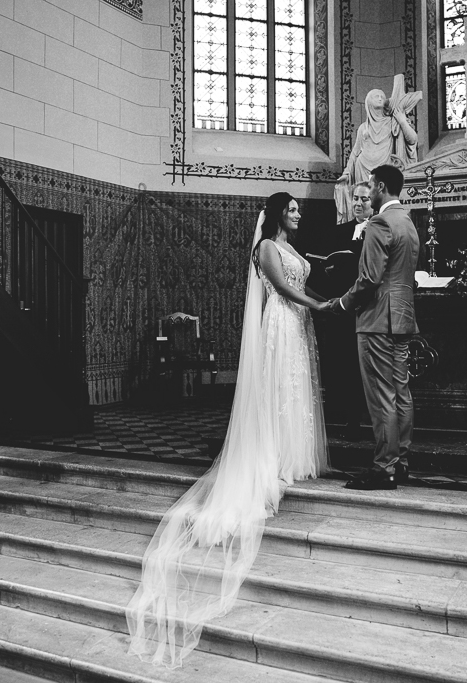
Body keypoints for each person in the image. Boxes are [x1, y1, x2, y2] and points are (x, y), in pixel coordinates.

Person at [126, 192, 330, 668]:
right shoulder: (265, 249)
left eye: (300, 210)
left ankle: (292, 458)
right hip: (281, 324)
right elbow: (281, 289)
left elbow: (301, 273)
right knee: (279, 393)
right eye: (294, 209)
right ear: (279, 212)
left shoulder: (295, 248)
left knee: (297, 397)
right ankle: (272, 460)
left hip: (298, 327)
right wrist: (320, 305)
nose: (299, 214)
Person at [325, 165, 419, 490]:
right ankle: (401, 462)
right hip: (403, 316)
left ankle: (384, 468)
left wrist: (341, 304)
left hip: (377, 318)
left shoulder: (380, 222)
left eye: (371, 187)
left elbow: (368, 279)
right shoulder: (407, 221)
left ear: (379, 186)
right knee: (401, 393)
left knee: (381, 396)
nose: (369, 193)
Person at [308, 182, 373, 436]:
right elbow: (325, 260)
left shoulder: (379, 229)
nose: (358, 203)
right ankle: (345, 417)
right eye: (355, 198)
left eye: (364, 199)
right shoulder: (339, 231)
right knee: (341, 364)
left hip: (365, 308)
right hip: (339, 306)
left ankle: (364, 419)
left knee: (362, 366)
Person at [334, 74, 422, 223]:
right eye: (376, 96)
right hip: (362, 167)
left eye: (382, 96)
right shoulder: (363, 128)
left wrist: (401, 120)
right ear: (368, 102)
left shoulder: (392, 121)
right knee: (364, 204)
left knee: (382, 205)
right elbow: (355, 152)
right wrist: (347, 172)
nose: (381, 98)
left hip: (383, 168)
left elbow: (412, 139)